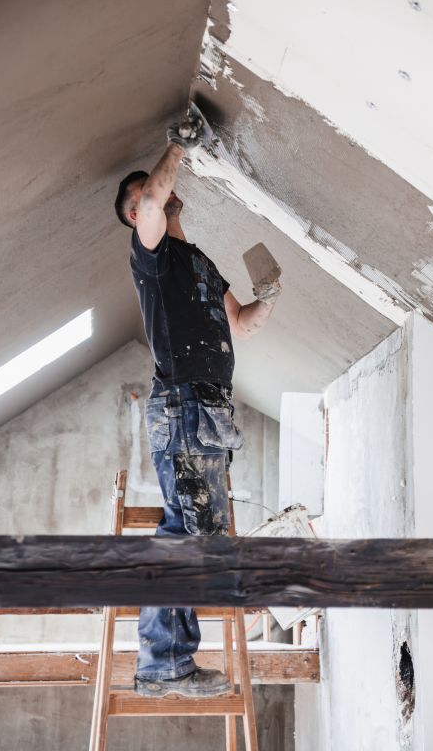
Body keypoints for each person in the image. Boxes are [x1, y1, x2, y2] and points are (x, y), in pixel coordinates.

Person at [114, 111, 281, 697]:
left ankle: (165, 664)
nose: (160, 199)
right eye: (148, 199)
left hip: (207, 412)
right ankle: (165, 663)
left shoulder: (199, 262)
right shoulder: (151, 256)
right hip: (186, 406)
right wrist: (176, 150)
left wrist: (269, 298)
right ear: (139, 216)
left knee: (185, 530)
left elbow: (243, 324)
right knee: (192, 535)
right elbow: (157, 200)